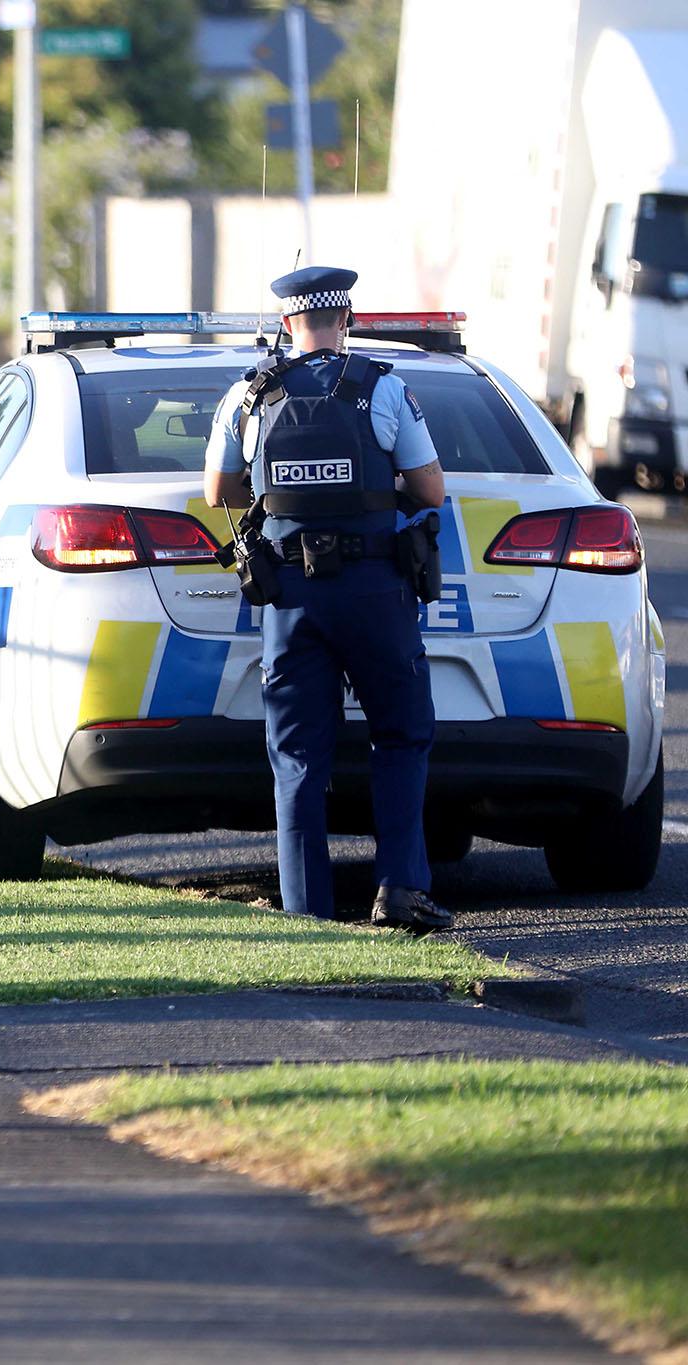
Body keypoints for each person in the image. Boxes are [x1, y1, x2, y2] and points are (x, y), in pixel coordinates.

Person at [203, 265, 452, 933]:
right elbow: (431, 492)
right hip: (375, 593)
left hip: (291, 598)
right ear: (345, 320)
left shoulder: (248, 397)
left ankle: (304, 916)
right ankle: (400, 890)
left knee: (296, 756)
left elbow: (216, 491)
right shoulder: (384, 388)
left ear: (288, 323)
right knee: (400, 735)